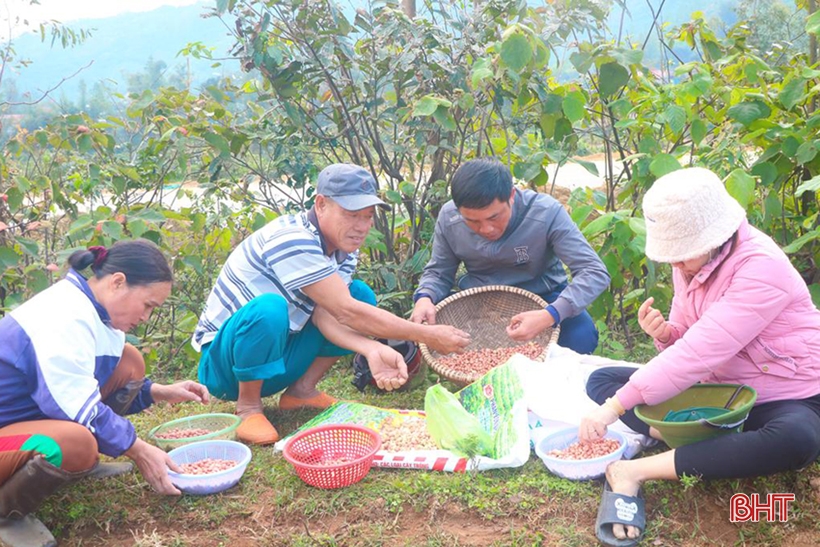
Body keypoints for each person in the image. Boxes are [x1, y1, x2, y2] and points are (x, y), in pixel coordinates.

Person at [579, 167, 820, 547]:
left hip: (787, 393)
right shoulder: (693, 262)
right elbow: (687, 337)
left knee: (798, 439)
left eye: (681, 255)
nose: (675, 266)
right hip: (720, 392)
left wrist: (614, 408)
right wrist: (665, 334)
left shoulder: (761, 267)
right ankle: (703, 448)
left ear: (715, 236)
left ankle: (635, 470)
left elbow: (700, 352)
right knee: (602, 380)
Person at [192, 163, 471, 446]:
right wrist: (428, 335)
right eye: (351, 215)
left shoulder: (342, 248)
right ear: (321, 204)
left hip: (280, 354)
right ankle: (248, 407)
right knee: (270, 309)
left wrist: (372, 348)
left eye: (368, 216)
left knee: (359, 294)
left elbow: (326, 317)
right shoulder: (292, 238)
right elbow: (345, 312)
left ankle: (301, 391)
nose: (362, 226)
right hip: (226, 367)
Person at [0, 240, 211, 547]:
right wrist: (138, 449)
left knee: (130, 362)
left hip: (24, 415)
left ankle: (75, 464)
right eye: (148, 305)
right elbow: (77, 408)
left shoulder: (95, 313)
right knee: (76, 444)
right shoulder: (63, 317)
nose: (146, 317)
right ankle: (7, 515)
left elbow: (86, 383)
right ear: (117, 282)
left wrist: (158, 392)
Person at [410, 158, 610, 354]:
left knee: (581, 336)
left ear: (511, 195)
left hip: (543, 297)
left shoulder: (545, 213)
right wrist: (425, 297)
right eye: (472, 221)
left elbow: (593, 271)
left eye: (494, 217)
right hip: (479, 301)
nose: (486, 229)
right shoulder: (449, 217)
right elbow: (438, 272)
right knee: (428, 333)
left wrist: (550, 314)